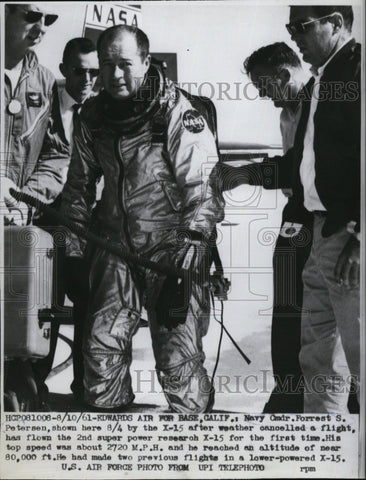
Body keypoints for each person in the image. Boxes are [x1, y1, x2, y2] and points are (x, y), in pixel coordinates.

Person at [60, 25, 225, 413]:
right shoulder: (93, 118)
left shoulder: (178, 113)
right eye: (106, 65)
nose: (115, 75)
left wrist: (185, 263)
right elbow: (78, 188)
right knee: (100, 357)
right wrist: (71, 252)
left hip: (170, 251)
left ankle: (197, 450)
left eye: (124, 64)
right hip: (115, 248)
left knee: (177, 364)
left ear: (147, 62)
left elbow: (203, 190)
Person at [228, 42, 312, 413]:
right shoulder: (289, 111)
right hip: (297, 213)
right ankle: (288, 393)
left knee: (317, 313)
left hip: (322, 216)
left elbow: (296, 165)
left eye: (264, 85)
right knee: (287, 308)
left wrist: (245, 173)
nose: (263, 94)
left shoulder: (321, 103)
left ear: (283, 74)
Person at [285, 5, 360, 413]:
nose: (294, 36)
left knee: (361, 356)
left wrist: (360, 239)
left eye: (302, 26)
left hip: (350, 236)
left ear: (335, 23)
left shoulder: (357, 71)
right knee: (318, 358)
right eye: (290, 27)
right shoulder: (321, 80)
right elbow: (304, 161)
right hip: (321, 232)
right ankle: (324, 449)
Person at [3, 3, 70, 410]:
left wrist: (26, 196)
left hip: (16, 225)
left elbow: (57, 155)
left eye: (47, 19)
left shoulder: (45, 83)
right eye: (30, 15)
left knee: (19, 331)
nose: (40, 27)